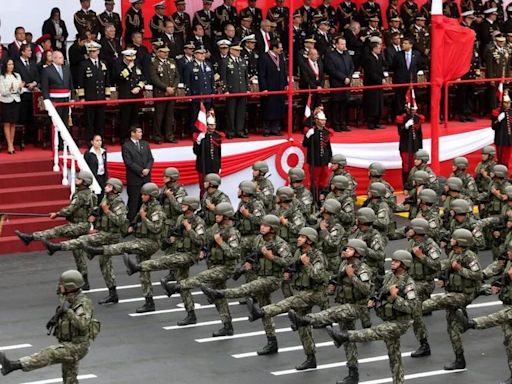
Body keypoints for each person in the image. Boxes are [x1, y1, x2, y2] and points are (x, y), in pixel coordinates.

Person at [202, 214, 291, 354]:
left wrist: (271, 257)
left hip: (273, 279)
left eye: (265, 225)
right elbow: (252, 255)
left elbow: (288, 263)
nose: (262, 227)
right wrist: (249, 265)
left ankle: (218, 293)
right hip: (261, 276)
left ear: (273, 229)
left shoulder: (280, 244)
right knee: (265, 311)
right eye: (261, 224)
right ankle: (272, 342)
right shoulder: (258, 240)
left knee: (247, 288)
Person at [288, 239, 373, 384]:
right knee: (347, 339)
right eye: (346, 248)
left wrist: (352, 276)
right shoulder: (344, 264)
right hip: (345, 304)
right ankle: (353, 374)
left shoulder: (363, 269)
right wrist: (333, 287)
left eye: (350, 249)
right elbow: (339, 281)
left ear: (358, 253)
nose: (345, 250)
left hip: (357, 306)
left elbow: (366, 290)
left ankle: (306, 320)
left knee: (331, 313)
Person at [326, 250, 416, 384]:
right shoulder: (389, 277)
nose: (392, 263)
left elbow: (411, 307)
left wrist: (396, 297)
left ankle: (345, 336)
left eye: (396, 261)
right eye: (393, 260)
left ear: (404, 265)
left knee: (374, 332)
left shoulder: (409, 284)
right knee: (394, 356)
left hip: (400, 323)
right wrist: (374, 300)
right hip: (389, 319)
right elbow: (380, 292)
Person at [247, 227, 328, 370]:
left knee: (288, 302)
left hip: (315, 293)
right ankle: (311, 358)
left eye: (302, 237)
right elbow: (292, 267)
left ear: (309, 241)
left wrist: (307, 264)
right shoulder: (298, 252)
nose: (298, 239)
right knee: (303, 328)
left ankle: (261, 312)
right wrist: (289, 273)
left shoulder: (317, 255)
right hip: (303, 291)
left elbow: (319, 277)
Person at [0, 270, 99, 382]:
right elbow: (61, 299)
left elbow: (82, 324)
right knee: (70, 379)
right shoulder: (68, 297)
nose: (60, 286)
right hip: (69, 343)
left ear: (70, 287)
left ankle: (14, 365)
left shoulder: (84, 303)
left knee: (50, 353)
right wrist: (55, 317)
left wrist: (68, 311)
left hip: (78, 346)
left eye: (62, 284)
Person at [43, 178, 127, 305]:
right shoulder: (105, 198)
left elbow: (120, 221)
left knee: (82, 240)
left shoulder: (118, 204)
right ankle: (113, 294)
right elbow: (98, 211)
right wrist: (95, 215)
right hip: (102, 232)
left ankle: (57, 247)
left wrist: (107, 211)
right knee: (105, 264)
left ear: (115, 189)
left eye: (109, 186)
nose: (106, 187)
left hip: (111, 235)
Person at [162, 202, 241, 337]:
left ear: (226, 217)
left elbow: (234, 254)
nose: (216, 217)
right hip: (214, 264)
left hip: (226, 267)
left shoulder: (232, 233)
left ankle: (175, 288)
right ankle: (227, 326)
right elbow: (205, 241)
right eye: (216, 214)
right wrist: (204, 250)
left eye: (219, 215)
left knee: (201, 278)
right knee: (219, 297)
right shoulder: (215, 228)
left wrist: (221, 243)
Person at [124, 196, 205, 326]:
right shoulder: (180, 218)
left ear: (192, 207)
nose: (182, 205)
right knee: (183, 284)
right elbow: (176, 234)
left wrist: (189, 229)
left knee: (164, 261)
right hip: (180, 251)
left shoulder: (198, 222)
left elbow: (201, 241)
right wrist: (170, 240)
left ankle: (138, 267)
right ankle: (191, 315)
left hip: (190, 255)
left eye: (185, 204)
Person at [85, 182, 164, 314]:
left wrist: (144, 218)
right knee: (144, 273)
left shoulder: (157, 210)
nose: (142, 197)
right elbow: (135, 221)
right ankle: (149, 302)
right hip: (142, 239)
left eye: (145, 195)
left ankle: (97, 251)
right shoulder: (145, 205)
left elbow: (156, 228)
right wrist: (133, 226)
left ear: (151, 196)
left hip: (151, 242)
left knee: (125, 246)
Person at [15, 172, 98, 287]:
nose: (77, 179)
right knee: (78, 254)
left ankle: (31, 237)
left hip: (79, 225)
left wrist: (57, 214)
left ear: (84, 182)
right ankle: (85, 282)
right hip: (80, 224)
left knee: (57, 231)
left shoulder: (82, 195)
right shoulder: (87, 193)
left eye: (79, 178)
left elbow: (70, 209)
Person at [421, 228, 482, 370]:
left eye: (454, 238)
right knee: (452, 329)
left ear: (460, 241)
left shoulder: (469, 256)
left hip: (463, 295)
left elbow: (478, 275)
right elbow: (446, 267)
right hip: (453, 292)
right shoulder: (454, 253)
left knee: (437, 302)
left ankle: (416, 307)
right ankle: (460, 360)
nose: (451, 240)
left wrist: (460, 269)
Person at [77, 41, 109, 139]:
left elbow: (107, 80)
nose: (93, 53)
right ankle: (90, 141)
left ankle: (100, 140)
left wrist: (107, 95)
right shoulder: (84, 64)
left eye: (94, 51)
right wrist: (82, 97)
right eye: (91, 51)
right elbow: (80, 82)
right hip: (90, 98)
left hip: (101, 97)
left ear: (98, 51)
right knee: (89, 122)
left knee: (100, 121)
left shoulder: (103, 63)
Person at [122, 126, 154, 222]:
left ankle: (142, 222)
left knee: (145, 202)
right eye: (139, 132)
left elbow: (150, 159)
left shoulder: (145, 144)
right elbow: (129, 162)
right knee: (134, 202)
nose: (141, 134)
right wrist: (141, 171)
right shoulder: (126, 146)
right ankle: (131, 222)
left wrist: (148, 168)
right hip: (134, 179)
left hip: (146, 179)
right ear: (133, 133)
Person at [149, 44, 179, 144]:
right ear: (158, 52)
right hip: (160, 93)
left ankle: (169, 135)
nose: (166, 53)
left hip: (171, 93)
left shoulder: (172, 61)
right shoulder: (154, 63)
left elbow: (177, 76)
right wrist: (166, 88)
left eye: (167, 51)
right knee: (159, 116)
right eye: (163, 51)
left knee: (170, 116)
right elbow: (154, 79)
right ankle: (157, 136)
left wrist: (173, 87)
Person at [183, 46, 214, 136]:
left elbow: (211, 80)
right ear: (195, 54)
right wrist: (188, 94)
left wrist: (212, 92)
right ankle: (195, 133)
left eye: (204, 53)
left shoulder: (208, 64)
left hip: (207, 94)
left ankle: (207, 132)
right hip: (196, 94)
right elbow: (187, 81)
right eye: (200, 53)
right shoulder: (189, 66)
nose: (203, 55)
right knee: (195, 115)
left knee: (207, 114)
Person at [324, 36, 354, 132]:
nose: (343, 46)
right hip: (337, 83)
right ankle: (336, 124)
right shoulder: (331, 55)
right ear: (336, 45)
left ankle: (343, 123)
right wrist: (343, 78)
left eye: (344, 44)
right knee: (336, 104)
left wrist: (348, 77)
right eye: (341, 44)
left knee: (344, 104)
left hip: (346, 83)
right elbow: (331, 70)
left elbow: (352, 67)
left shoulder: (347, 54)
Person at [220, 44, 249, 139]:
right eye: (236, 50)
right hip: (232, 90)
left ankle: (239, 130)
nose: (238, 52)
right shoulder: (225, 61)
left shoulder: (242, 61)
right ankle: (231, 131)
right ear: (231, 50)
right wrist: (225, 90)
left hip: (242, 89)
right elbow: (223, 77)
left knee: (241, 112)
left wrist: (247, 89)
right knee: (230, 112)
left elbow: (245, 76)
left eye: (239, 50)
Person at [259, 39, 287, 136]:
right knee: (268, 108)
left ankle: (275, 129)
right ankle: (266, 129)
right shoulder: (264, 57)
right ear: (274, 48)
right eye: (280, 48)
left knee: (278, 108)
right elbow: (261, 74)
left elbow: (284, 71)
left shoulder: (281, 56)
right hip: (269, 87)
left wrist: (286, 84)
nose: (281, 49)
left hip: (279, 87)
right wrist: (263, 88)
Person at [114, 49, 145, 140]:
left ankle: (134, 137)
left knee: (135, 119)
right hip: (125, 96)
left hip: (135, 97)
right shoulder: (118, 65)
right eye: (129, 59)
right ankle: (124, 138)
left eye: (132, 59)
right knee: (125, 119)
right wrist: (128, 68)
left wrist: (138, 87)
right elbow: (119, 77)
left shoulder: (137, 66)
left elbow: (143, 79)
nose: (131, 61)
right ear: (124, 57)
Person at [303, 110, 333, 201]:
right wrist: (308, 136)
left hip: (324, 161)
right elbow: (305, 144)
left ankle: (321, 197)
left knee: (323, 181)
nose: (323, 122)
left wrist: (330, 160)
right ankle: (314, 198)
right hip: (315, 161)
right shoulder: (312, 132)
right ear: (316, 120)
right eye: (321, 120)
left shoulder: (326, 132)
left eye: (324, 120)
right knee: (314, 181)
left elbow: (328, 147)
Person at [397, 94, 424, 188]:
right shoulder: (402, 118)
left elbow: (420, 134)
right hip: (405, 146)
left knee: (415, 166)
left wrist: (420, 148)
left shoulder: (417, 118)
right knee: (406, 166)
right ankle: (406, 186)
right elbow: (400, 132)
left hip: (415, 145)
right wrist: (406, 126)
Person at [41, 51, 73, 129]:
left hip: (66, 100)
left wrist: (72, 98)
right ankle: (55, 140)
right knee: (56, 122)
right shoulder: (47, 70)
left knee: (65, 121)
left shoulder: (66, 69)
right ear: (55, 58)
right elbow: (45, 88)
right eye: (61, 58)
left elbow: (70, 84)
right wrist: (47, 101)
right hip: (54, 100)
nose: (63, 59)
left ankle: (63, 141)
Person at [193, 114, 222, 197]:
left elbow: (218, 153)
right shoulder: (200, 136)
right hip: (203, 166)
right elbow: (196, 152)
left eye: (214, 125)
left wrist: (219, 166)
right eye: (210, 125)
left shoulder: (217, 136)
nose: (212, 127)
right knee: (203, 188)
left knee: (214, 187)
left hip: (214, 166)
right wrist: (198, 142)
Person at [0, 58, 23, 154]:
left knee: (13, 123)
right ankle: (9, 145)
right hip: (5, 101)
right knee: (7, 123)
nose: (11, 66)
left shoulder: (17, 76)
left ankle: (12, 143)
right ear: (5, 65)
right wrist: (10, 89)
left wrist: (20, 88)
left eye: (12, 64)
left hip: (16, 100)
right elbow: (2, 91)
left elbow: (20, 91)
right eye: (9, 64)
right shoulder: (2, 77)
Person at [362, 41, 385, 130]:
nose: (380, 50)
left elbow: (380, 69)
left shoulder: (379, 57)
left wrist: (382, 78)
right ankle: (370, 122)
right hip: (371, 84)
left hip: (378, 84)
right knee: (372, 104)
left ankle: (377, 122)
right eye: (379, 48)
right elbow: (371, 72)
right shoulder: (368, 58)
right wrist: (380, 80)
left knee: (379, 103)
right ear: (374, 49)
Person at [84, 134, 108, 203]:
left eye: (100, 140)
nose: (99, 142)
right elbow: (86, 167)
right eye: (97, 140)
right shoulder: (88, 153)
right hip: (94, 178)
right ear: (92, 142)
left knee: (102, 196)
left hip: (102, 177)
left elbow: (104, 165)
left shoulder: (103, 152)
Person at [492, 92, 512, 165]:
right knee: (499, 154)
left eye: (509, 103)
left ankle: (505, 165)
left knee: (507, 155)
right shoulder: (496, 112)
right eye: (506, 103)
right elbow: (493, 127)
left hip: (509, 137)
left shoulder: (511, 112)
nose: (508, 105)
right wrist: (498, 120)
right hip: (499, 137)